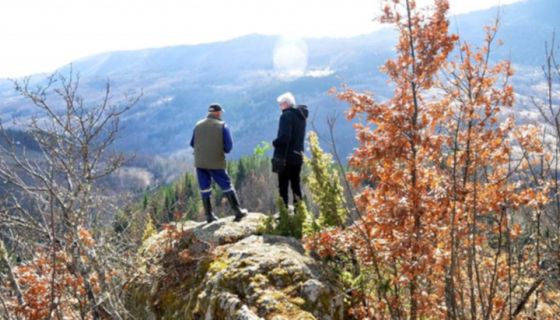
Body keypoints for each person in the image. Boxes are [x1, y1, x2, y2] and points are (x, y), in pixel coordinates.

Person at [190, 103, 248, 223]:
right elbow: (228, 147)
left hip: (200, 161)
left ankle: (209, 216)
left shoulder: (198, 125)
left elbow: (192, 143)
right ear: (217, 112)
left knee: (204, 188)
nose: (221, 114)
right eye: (220, 112)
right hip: (215, 161)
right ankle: (237, 211)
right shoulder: (222, 126)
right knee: (226, 184)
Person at [272, 92, 308, 206]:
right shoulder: (301, 116)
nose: (280, 107)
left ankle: (284, 212)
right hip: (298, 155)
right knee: (295, 183)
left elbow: (285, 137)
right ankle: (299, 211)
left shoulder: (285, 116)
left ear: (286, 104)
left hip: (286, 156)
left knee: (283, 184)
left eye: (281, 104)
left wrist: (275, 142)